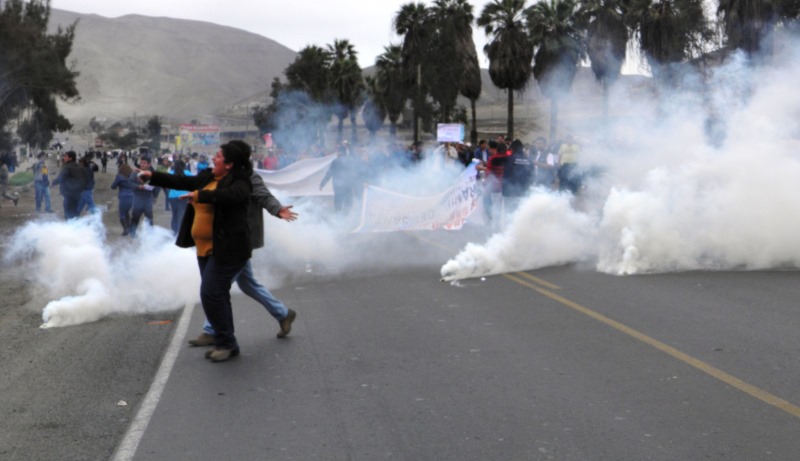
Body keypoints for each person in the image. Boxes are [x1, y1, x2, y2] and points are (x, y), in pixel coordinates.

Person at [142, 140, 254, 362]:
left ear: (230, 164)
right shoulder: (209, 177)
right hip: (205, 248)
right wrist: (152, 176)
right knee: (218, 294)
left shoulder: (241, 181)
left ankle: (227, 344)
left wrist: (200, 196)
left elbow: (230, 197)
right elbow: (183, 180)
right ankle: (222, 337)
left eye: (219, 156)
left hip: (229, 249)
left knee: (210, 292)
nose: (214, 158)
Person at [187, 167, 299, 347]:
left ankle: (211, 330)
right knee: (247, 283)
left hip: (240, 240)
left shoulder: (247, 176)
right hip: (226, 239)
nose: (215, 160)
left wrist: (277, 209)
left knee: (216, 285)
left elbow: (263, 195)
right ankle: (283, 314)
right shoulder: (220, 177)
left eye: (221, 156)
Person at [319, 144, 357, 214]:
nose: (336, 153)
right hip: (348, 185)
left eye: (337, 151)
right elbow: (354, 173)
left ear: (340, 152)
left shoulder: (336, 161)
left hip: (338, 186)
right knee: (348, 202)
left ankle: (338, 218)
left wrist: (322, 184)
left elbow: (329, 173)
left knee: (338, 202)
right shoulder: (351, 160)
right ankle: (346, 216)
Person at [501, 139, 535, 217]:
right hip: (524, 192)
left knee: (510, 214)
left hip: (511, 192)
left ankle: (511, 229)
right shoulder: (529, 160)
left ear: (512, 149)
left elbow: (506, 175)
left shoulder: (510, 159)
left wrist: (504, 191)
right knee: (522, 214)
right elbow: (532, 176)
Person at [51, 150, 87, 220]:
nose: (64, 158)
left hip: (68, 193)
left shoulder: (67, 167)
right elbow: (85, 180)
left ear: (70, 158)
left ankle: (70, 228)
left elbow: (60, 178)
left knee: (68, 213)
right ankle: (76, 227)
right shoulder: (80, 167)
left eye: (65, 156)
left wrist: (53, 183)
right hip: (78, 193)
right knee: (75, 212)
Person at [129, 156, 159, 237]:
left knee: (149, 217)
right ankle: (132, 232)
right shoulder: (135, 173)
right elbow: (130, 183)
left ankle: (150, 234)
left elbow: (156, 185)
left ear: (149, 164)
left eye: (144, 163)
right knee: (135, 216)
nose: (142, 164)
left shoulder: (151, 174)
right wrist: (139, 186)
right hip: (137, 198)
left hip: (148, 199)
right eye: (141, 162)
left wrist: (155, 196)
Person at [166, 158, 193, 235]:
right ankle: (180, 233)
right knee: (181, 215)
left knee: (174, 215)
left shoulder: (171, 173)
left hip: (172, 197)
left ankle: (174, 232)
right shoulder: (187, 173)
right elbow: (194, 181)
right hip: (183, 197)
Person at [110, 163, 138, 236]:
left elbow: (113, 187)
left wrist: (117, 179)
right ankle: (130, 228)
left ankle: (126, 229)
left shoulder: (119, 177)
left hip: (123, 197)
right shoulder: (132, 176)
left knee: (122, 213)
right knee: (127, 212)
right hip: (132, 196)